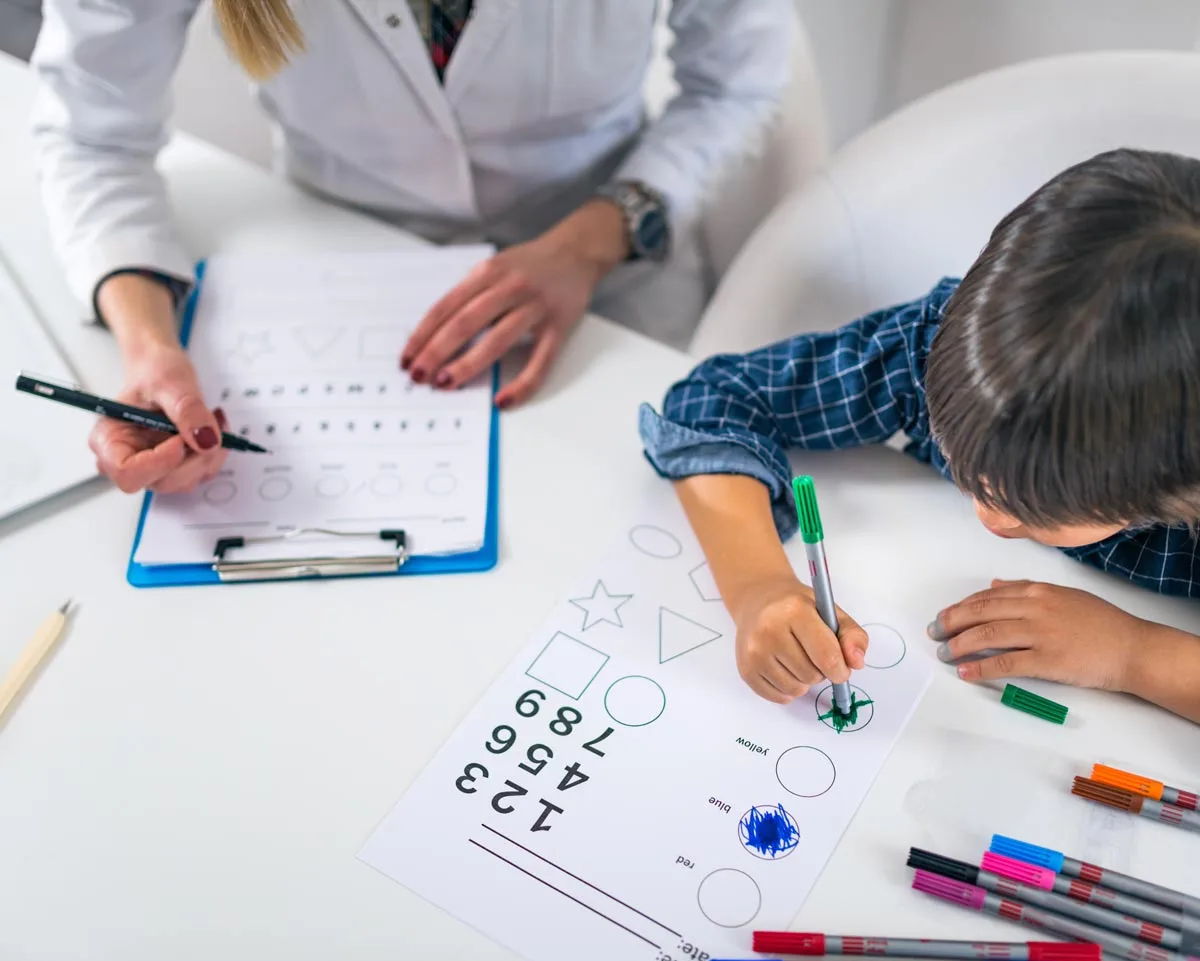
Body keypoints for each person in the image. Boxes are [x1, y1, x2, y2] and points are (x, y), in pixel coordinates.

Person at [31, 0, 792, 494]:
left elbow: (736, 88)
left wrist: (590, 242)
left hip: (614, 286)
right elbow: (91, 137)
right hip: (340, 282)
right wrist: (150, 349)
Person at [639, 148, 1200, 724]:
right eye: (966, 467)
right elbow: (713, 403)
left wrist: (1135, 653)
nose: (986, 514)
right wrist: (758, 587)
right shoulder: (946, 352)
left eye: (1027, 506)